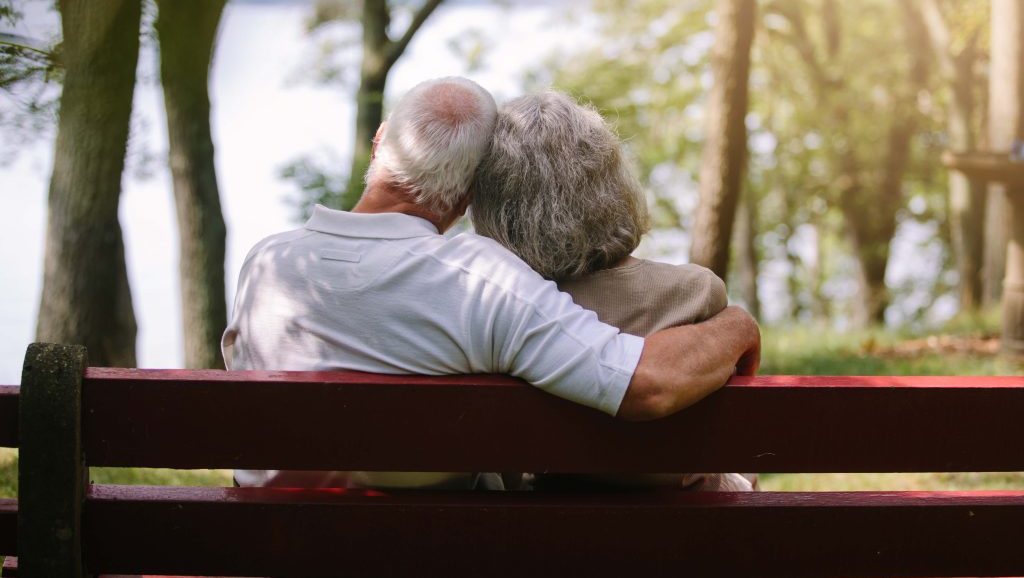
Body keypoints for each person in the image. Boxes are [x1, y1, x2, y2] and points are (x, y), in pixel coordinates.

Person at [222, 76, 760, 490]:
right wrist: (736, 324)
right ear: (463, 202)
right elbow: (647, 382)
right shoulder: (478, 282)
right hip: (410, 559)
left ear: (379, 141)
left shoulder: (265, 265)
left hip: (276, 547)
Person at [472, 90, 754, 492]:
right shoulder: (693, 294)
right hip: (683, 531)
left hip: (533, 534)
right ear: (613, 184)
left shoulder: (488, 310)